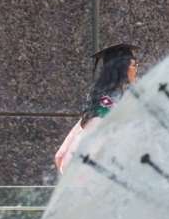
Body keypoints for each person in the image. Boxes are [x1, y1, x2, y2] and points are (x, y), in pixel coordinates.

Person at [54, 42, 139, 172]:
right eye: (134, 65)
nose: (136, 69)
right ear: (122, 68)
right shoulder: (110, 107)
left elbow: (60, 155)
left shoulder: (98, 103)